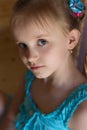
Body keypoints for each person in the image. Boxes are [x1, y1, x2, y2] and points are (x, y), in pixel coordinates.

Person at [1, 0, 87, 130]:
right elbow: (11, 116)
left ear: (71, 40)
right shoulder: (32, 75)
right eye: (22, 45)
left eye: (42, 42)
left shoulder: (81, 110)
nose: (30, 57)